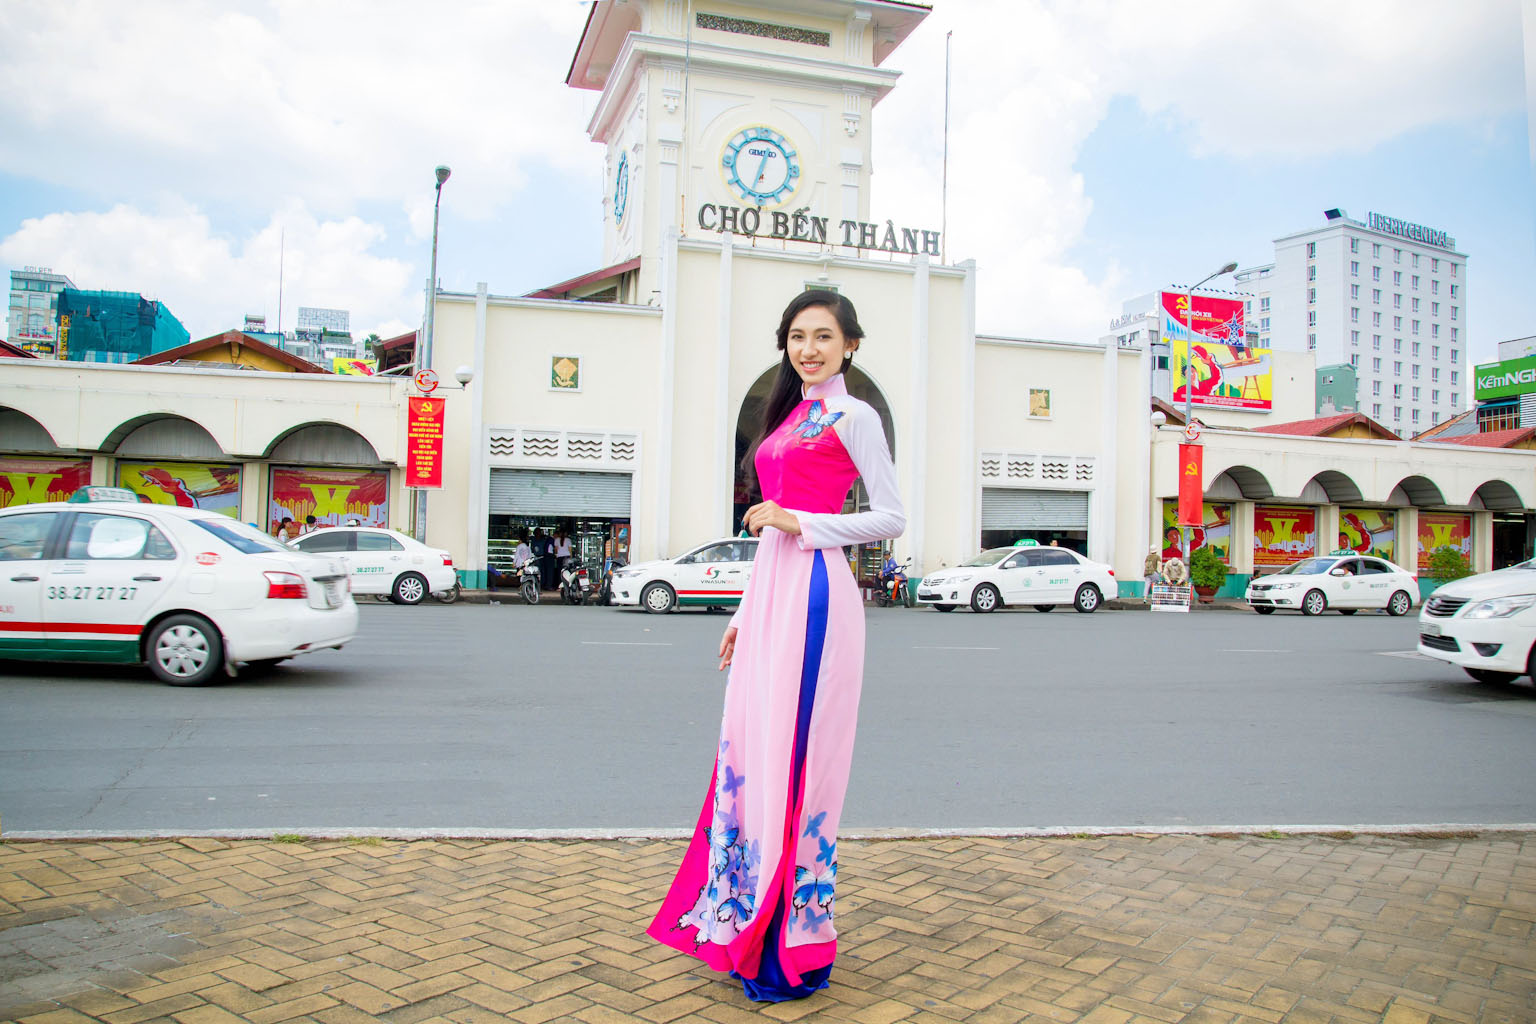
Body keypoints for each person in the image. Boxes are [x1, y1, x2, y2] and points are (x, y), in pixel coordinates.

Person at [648, 289, 905, 1002]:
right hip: (772, 597)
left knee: (796, 766)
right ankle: (743, 918)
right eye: (797, 336)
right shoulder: (791, 415)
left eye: (824, 336)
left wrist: (801, 523)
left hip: (819, 597)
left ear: (851, 344)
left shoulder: (855, 416)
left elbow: (891, 516)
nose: (809, 349)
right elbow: (769, 537)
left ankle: (791, 946)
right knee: (752, 754)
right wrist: (742, 612)